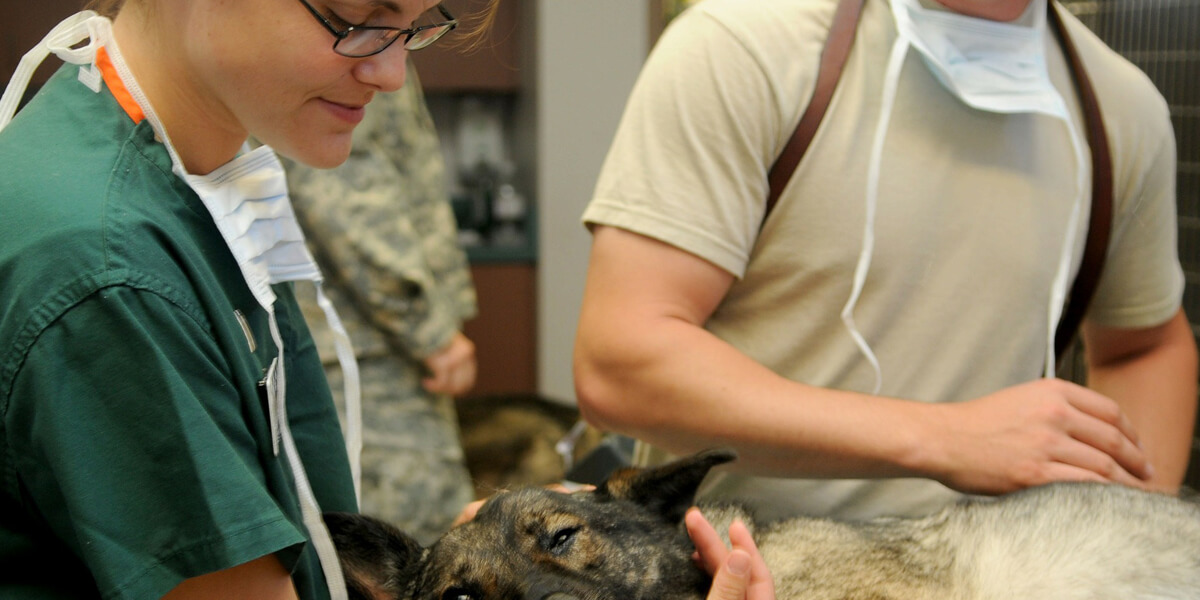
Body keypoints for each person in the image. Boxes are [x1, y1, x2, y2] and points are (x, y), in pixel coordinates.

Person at [0, 0, 780, 598]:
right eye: (360, 20)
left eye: (417, 27)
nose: (390, 72)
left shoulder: (189, 180)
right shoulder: (107, 273)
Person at [575, 0, 1198, 524]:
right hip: (749, 571)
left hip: (998, 574)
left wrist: (1127, 536)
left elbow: (1145, 345)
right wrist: (943, 438)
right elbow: (621, 361)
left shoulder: (1121, 110)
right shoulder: (747, 48)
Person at [283, 65, 478, 546]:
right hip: (365, 350)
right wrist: (428, 329)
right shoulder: (352, 36)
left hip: (354, 341)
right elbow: (344, 192)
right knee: (412, 552)